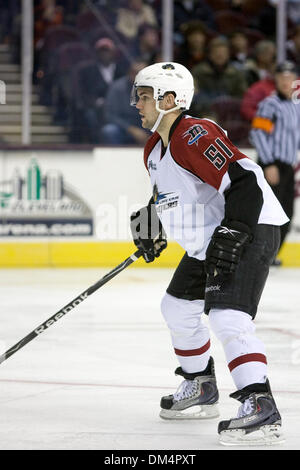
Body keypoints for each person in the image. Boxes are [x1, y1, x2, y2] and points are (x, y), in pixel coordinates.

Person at [129, 62, 287, 446]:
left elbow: (246, 182)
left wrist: (236, 232)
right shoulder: (154, 148)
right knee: (176, 308)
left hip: (249, 226)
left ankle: (259, 403)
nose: (137, 104)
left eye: (145, 96)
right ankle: (200, 384)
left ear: (170, 99)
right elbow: (171, 195)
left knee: (228, 316)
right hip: (213, 238)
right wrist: (152, 224)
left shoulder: (195, 133)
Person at [250, 61, 300, 263]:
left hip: (288, 166)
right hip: (272, 164)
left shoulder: (296, 105)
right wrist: (268, 163)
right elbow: (258, 133)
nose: (286, 82)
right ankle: (259, 252)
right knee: (268, 211)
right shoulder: (270, 104)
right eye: (282, 77)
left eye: (289, 77)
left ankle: (271, 254)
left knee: (286, 212)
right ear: (276, 80)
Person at [100, 60, 150, 145]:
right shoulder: (117, 88)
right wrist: (131, 129)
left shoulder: (154, 89)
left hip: (147, 127)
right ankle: (116, 157)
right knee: (109, 131)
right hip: (124, 128)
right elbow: (110, 115)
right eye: (136, 73)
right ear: (130, 73)